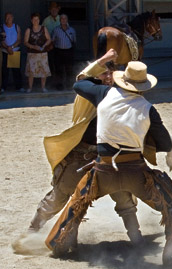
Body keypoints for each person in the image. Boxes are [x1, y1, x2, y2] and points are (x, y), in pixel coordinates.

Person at [46, 51, 172, 266]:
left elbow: (79, 84)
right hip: (136, 173)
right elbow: (164, 144)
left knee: (77, 202)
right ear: (143, 86)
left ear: (122, 79)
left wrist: (100, 62)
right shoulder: (149, 110)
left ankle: (59, 244)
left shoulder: (104, 93)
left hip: (102, 172)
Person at [29, 50, 144, 248]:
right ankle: (32, 232)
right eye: (103, 73)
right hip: (81, 156)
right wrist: (103, 59)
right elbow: (82, 78)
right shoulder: (87, 92)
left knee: (124, 196)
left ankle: (137, 238)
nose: (108, 77)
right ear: (96, 75)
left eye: (111, 72)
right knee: (60, 194)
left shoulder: (118, 93)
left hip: (108, 157)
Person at [23, 13, 51, 93]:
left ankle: (43, 87)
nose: (36, 21)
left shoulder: (43, 28)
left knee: (43, 71)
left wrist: (45, 45)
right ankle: (30, 88)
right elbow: (25, 42)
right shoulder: (29, 30)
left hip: (42, 53)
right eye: (34, 19)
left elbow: (49, 39)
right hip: (32, 53)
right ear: (31, 21)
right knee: (31, 71)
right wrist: (33, 46)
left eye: (37, 19)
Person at [1, 12, 24, 92]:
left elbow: (19, 39)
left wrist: (12, 47)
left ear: (12, 18)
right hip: (5, 51)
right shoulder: (2, 27)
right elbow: (2, 40)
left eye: (10, 17)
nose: (8, 19)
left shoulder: (16, 27)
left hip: (15, 51)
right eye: (7, 17)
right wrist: (7, 48)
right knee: (4, 71)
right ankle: (3, 87)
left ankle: (19, 87)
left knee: (16, 70)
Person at [52, 14, 76, 90]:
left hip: (69, 51)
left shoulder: (72, 30)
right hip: (58, 51)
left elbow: (74, 41)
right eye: (62, 19)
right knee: (59, 69)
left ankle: (69, 84)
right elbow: (52, 40)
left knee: (69, 69)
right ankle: (59, 85)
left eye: (65, 18)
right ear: (60, 20)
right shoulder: (56, 30)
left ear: (67, 20)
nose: (63, 20)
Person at [42, 1, 61, 77]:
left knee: (59, 64)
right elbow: (42, 32)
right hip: (49, 46)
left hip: (60, 46)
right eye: (52, 9)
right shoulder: (46, 20)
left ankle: (60, 82)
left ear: (58, 9)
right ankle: (52, 81)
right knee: (50, 64)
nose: (54, 11)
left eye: (55, 9)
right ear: (50, 10)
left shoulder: (61, 18)